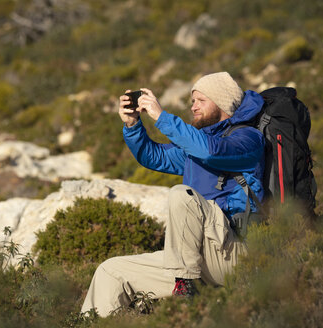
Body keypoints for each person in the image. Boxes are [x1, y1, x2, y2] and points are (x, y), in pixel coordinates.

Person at [81, 72, 266, 317]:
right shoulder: (198, 145)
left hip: (235, 254)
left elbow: (211, 152)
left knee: (182, 195)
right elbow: (153, 156)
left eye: (201, 100)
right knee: (111, 271)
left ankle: (186, 288)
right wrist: (133, 125)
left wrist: (161, 117)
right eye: (192, 101)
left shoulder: (248, 139)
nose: (193, 106)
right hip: (195, 261)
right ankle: (182, 284)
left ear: (222, 103)